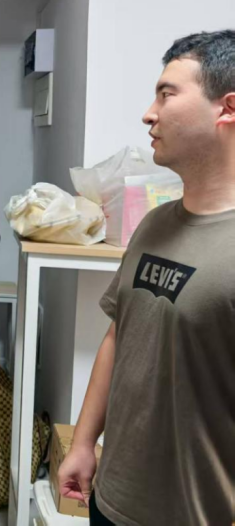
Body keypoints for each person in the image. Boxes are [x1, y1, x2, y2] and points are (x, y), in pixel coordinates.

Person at [58, 30, 235, 527]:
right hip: (112, 499)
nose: (148, 114)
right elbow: (120, 335)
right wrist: (84, 443)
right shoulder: (154, 224)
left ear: (227, 108)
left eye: (166, 94)